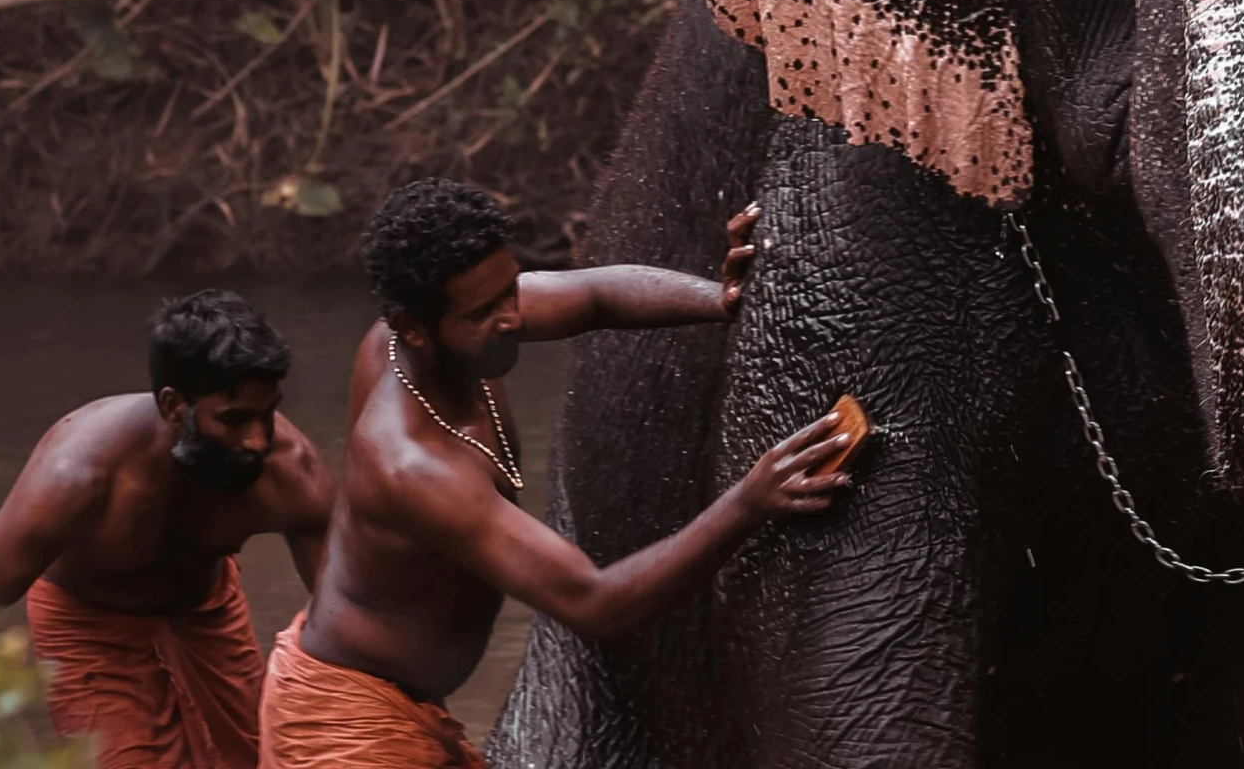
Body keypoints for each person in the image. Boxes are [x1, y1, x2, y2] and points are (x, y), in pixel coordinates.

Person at [259, 177, 850, 769]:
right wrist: (748, 502)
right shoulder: (415, 464)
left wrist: (719, 299)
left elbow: (597, 296)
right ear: (413, 327)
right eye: (485, 311)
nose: (514, 316)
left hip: (399, 704)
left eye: (511, 289)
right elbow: (595, 603)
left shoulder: (469, 331)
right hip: (343, 727)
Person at [0, 290, 336, 769]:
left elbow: (343, 620)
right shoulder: (77, 480)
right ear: (174, 406)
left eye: (267, 414)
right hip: (88, 621)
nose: (257, 442)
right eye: (234, 420)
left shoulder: (291, 472)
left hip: (207, 608)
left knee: (257, 757)